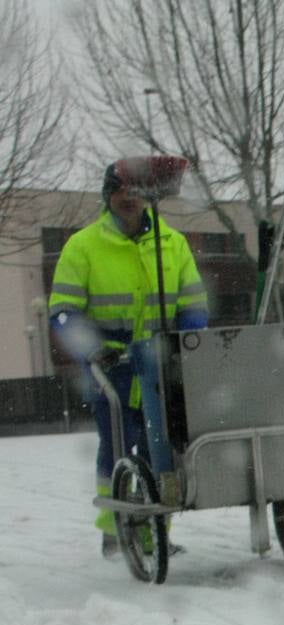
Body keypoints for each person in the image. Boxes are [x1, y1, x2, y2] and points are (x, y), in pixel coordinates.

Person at [48, 161, 209, 558]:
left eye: (135, 190)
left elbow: (193, 303)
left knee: (164, 448)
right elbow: (64, 311)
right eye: (120, 190)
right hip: (112, 362)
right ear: (108, 195)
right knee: (120, 443)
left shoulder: (171, 243)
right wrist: (92, 349)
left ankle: (156, 532)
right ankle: (115, 527)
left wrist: (189, 339)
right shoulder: (83, 246)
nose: (128, 198)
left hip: (160, 361)